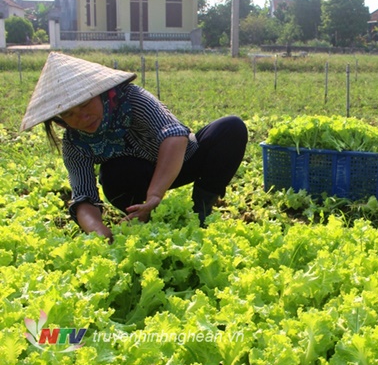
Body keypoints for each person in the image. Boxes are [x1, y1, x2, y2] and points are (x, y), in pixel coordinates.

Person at [20, 52, 248, 242]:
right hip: (138, 179)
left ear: (100, 94)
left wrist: (156, 194)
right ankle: (143, 216)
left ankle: (202, 210)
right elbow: (83, 197)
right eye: (69, 114)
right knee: (113, 174)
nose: (82, 117)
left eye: (85, 103)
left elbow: (174, 136)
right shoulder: (75, 144)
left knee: (230, 128)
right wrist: (99, 232)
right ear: (60, 120)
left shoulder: (133, 99)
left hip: (182, 160)